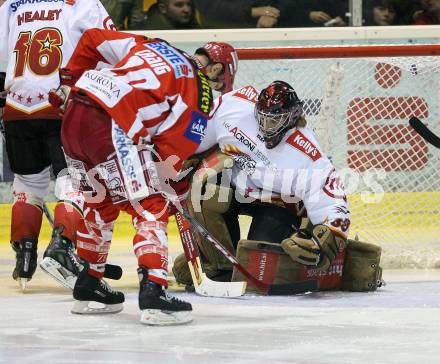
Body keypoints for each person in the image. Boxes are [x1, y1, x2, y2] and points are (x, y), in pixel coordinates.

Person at [49, 28, 237, 325]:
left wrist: (70, 80)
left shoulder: (154, 44)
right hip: (114, 123)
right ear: (215, 69)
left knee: (102, 203)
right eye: (221, 83)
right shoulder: (201, 94)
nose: (216, 89)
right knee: (152, 205)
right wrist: (174, 186)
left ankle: (88, 283)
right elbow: (173, 153)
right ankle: (154, 291)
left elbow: (93, 39)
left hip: (76, 110)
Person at [173, 81, 382, 292]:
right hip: (241, 188)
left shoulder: (305, 152)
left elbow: (333, 199)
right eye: (261, 118)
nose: (265, 126)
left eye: (274, 121)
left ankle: (341, 267)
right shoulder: (234, 106)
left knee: (260, 267)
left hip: (281, 206)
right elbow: (197, 133)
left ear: (291, 118)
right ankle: (221, 269)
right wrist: (175, 158)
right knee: (205, 184)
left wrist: (330, 237)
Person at [0, 0, 114, 290]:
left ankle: (24, 256)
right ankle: (63, 246)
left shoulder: (13, 5)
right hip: (64, 103)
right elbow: (110, 52)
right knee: (73, 179)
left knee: (27, 182)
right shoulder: (85, 4)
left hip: (18, 107)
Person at [194, 0, 280, 28]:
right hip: (214, 38)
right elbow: (208, 11)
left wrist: (272, 12)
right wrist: (252, 12)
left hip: (262, 38)